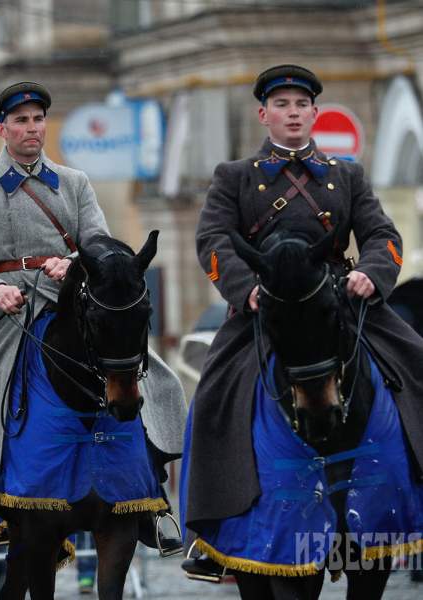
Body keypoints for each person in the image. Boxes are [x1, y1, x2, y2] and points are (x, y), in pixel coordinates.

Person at [184, 64, 423, 578]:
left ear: (314, 113)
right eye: (282, 106)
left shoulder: (348, 174)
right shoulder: (235, 176)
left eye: (301, 106)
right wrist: (245, 290)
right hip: (264, 305)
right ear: (263, 114)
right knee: (213, 398)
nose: (292, 114)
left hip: (336, 300)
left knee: (417, 363)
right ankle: (215, 531)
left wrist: (374, 277)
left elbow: (384, 236)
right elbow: (213, 241)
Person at [0, 82, 185, 566]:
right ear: (2, 129)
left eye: (37, 120)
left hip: (71, 302)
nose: (32, 129)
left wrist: (73, 261)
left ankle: (153, 501)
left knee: (155, 378)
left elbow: (100, 243)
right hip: (8, 310)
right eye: (21, 121)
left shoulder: (74, 182)